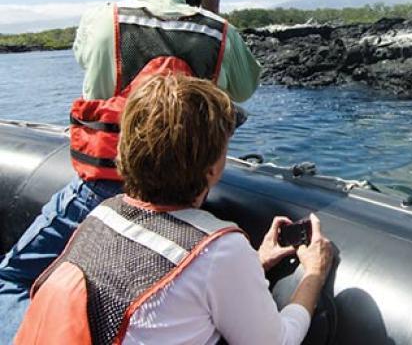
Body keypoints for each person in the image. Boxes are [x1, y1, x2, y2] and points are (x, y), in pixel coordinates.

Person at [0, 0, 261, 339]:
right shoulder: (217, 31)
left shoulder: (103, 18)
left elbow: (84, 57)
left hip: (103, 184)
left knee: (11, 279)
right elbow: (245, 87)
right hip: (189, 191)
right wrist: (214, 16)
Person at [15, 74, 333, 344]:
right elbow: (278, 341)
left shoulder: (104, 214)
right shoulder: (221, 252)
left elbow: (159, 281)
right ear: (211, 170)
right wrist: (314, 275)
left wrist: (256, 262)